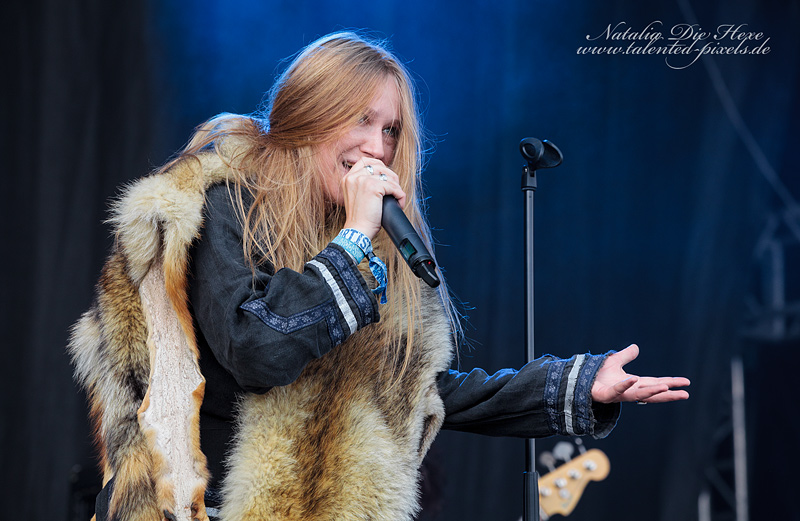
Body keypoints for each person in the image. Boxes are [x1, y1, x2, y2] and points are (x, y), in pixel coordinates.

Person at [68, 31, 690, 521]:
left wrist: (577, 386)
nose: (378, 146)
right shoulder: (227, 203)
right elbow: (255, 347)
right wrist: (357, 239)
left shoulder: (366, 253)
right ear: (310, 114)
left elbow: (420, 390)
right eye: (359, 120)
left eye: (390, 129)